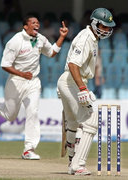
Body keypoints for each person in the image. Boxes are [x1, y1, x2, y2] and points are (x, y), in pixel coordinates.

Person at [0, 14, 68, 160]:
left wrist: (62, 37)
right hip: (15, 81)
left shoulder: (40, 38)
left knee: (32, 112)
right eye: (33, 23)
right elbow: (5, 65)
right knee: (11, 115)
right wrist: (22, 74)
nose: (37, 25)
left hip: (33, 82)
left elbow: (51, 52)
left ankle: (29, 149)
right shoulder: (15, 41)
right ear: (25, 26)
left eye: (38, 23)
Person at [57, 8, 115, 175]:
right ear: (95, 23)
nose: (107, 30)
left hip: (71, 81)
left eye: (108, 27)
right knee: (91, 119)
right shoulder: (85, 38)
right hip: (72, 81)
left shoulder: (93, 39)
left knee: (73, 123)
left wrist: (81, 86)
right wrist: (82, 88)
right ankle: (78, 165)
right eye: (104, 26)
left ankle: (71, 162)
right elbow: (73, 65)